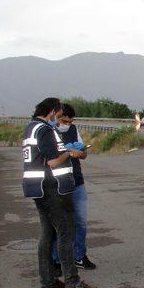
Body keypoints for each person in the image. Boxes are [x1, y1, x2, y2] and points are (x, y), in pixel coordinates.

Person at [22, 97, 97, 288]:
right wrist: (70, 152)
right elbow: (54, 162)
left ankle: (48, 280)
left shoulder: (32, 127)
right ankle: (72, 280)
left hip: (38, 189)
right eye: (59, 114)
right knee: (66, 233)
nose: (59, 118)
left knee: (48, 234)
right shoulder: (45, 129)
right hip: (52, 189)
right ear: (53, 111)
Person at [51, 103, 96, 270]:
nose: (66, 125)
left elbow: (83, 154)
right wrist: (67, 153)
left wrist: (80, 152)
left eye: (70, 122)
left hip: (76, 181)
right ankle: (55, 260)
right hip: (56, 184)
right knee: (58, 224)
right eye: (63, 120)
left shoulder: (73, 129)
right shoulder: (48, 131)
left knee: (81, 222)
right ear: (56, 116)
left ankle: (79, 255)